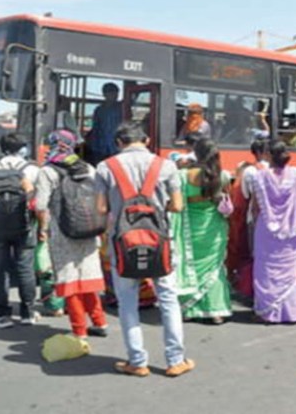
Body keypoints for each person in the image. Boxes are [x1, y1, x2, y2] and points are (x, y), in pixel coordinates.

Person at [95, 122, 195, 378]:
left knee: (128, 303)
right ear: (147, 140)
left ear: (119, 143)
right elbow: (178, 205)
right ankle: (175, 360)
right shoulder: (167, 165)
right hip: (159, 242)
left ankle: (137, 361)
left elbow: (101, 209)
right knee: (168, 299)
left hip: (122, 244)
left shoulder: (106, 167)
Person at [35, 129, 108, 339]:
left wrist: (43, 229)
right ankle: (100, 322)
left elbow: (41, 205)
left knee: (69, 280)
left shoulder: (48, 171)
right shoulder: (89, 168)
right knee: (88, 278)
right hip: (90, 229)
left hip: (62, 232)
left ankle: (79, 330)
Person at [0, 133, 40, 328]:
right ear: (23, 148)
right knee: (25, 268)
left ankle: (2, 315)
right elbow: (37, 199)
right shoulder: (31, 169)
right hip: (24, 226)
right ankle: (28, 314)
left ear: (2, 148)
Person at [250, 140, 296, 324]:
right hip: (292, 228)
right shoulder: (295, 174)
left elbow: (255, 206)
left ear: (268, 155)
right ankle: (292, 312)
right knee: (288, 269)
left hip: (267, 228)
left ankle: (267, 311)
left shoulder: (260, 177)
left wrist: (255, 224)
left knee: (265, 270)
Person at [174, 138, 233, 324]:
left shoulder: (183, 176)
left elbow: (176, 202)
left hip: (189, 228)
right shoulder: (222, 176)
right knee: (214, 269)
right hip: (213, 228)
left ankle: (188, 309)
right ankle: (215, 311)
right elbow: (225, 200)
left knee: (189, 266)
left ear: (196, 153)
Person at [227, 138, 269, 298]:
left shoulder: (250, 172)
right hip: (281, 221)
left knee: (253, 254)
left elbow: (246, 195)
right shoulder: (288, 172)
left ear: (256, 153)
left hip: (256, 219)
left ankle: (251, 287)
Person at [87, 82, 123, 164]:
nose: (115, 96)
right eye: (112, 93)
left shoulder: (122, 107)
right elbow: (96, 128)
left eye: (117, 93)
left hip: (117, 146)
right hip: (100, 147)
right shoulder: (99, 110)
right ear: (104, 94)